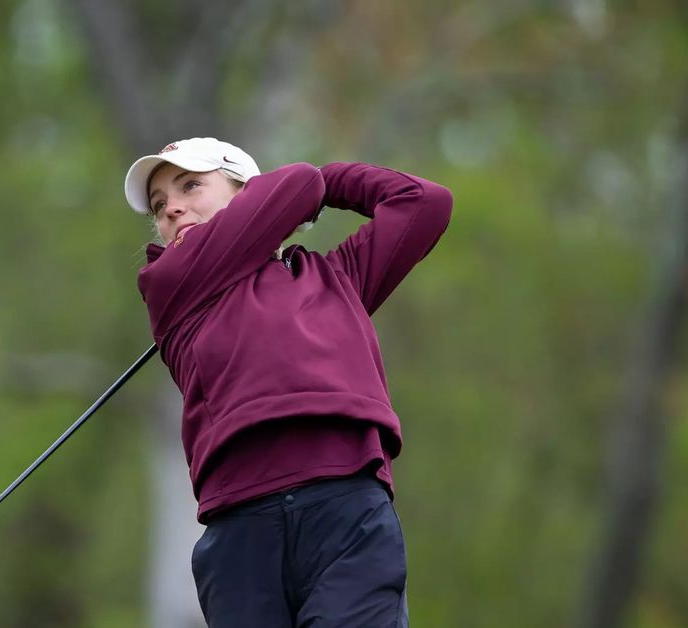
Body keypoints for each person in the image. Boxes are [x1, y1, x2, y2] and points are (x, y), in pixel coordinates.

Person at [123, 137, 453, 627]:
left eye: (191, 185)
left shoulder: (336, 279)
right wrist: (303, 191)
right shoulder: (170, 282)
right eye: (158, 204)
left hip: (345, 510)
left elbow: (423, 202)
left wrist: (329, 180)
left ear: (248, 191)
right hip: (241, 530)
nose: (171, 208)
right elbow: (299, 184)